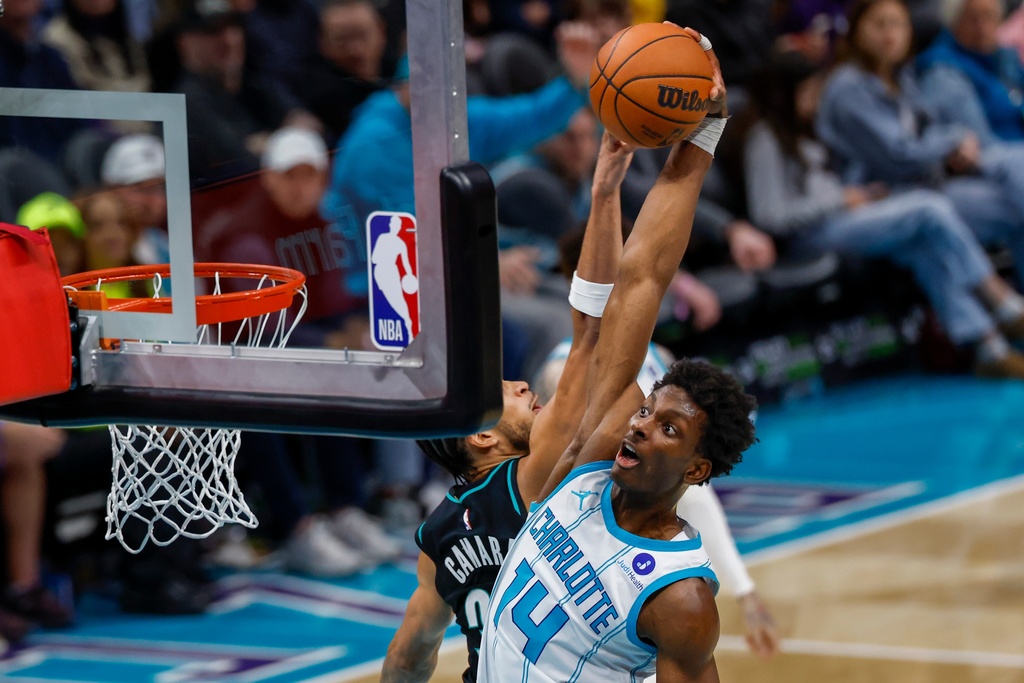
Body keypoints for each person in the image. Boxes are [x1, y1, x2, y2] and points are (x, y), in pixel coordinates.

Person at [477, 32, 749, 681]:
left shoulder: (681, 598)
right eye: (651, 411)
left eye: (668, 429)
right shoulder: (586, 467)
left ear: (699, 468)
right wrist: (702, 137)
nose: (639, 423)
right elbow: (642, 281)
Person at [381, 124, 635, 683]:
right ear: (483, 437)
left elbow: (409, 655)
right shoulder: (530, 476)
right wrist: (605, 192)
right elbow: (590, 331)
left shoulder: (438, 533)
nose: (523, 387)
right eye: (509, 395)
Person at [746, 51, 1024, 378]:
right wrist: (840, 199)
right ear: (782, 94)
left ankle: (987, 346)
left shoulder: (806, 130)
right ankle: (1001, 300)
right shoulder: (764, 138)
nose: (815, 100)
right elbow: (770, 216)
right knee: (930, 208)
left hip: (842, 218)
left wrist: (859, 195)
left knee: (924, 245)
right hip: (814, 235)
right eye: (806, 92)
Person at [816, 0, 1024, 293]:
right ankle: (999, 302)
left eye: (898, 24)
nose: (890, 34)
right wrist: (954, 142)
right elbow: (900, 154)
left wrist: (950, 141)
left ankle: (996, 332)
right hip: (876, 196)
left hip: (923, 186)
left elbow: (930, 128)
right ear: (856, 32)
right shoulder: (848, 87)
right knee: (941, 211)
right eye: (879, 24)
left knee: (1014, 208)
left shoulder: (901, 77)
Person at [917, 0, 1024, 142]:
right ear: (954, 22)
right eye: (973, 19)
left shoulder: (1003, 56)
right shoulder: (942, 71)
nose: (982, 27)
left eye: (989, 16)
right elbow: (981, 148)